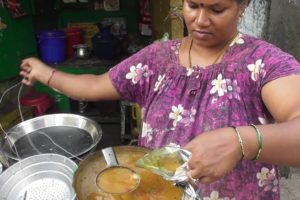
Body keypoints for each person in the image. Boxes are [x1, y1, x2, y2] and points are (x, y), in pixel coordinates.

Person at [20, 0, 300, 199]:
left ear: (243, 6)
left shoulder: (263, 62)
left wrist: (243, 142)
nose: (200, 20)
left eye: (217, 9)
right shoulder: (157, 59)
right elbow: (94, 85)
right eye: (193, 5)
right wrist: (46, 73)